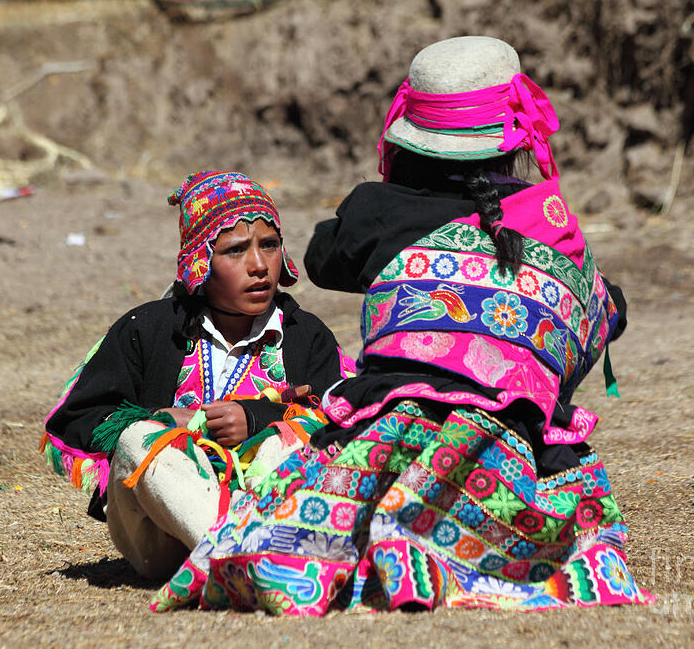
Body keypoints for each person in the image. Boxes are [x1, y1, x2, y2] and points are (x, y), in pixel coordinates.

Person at [152, 36, 652, 614]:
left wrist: (383, 213)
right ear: (514, 137)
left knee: (294, 511)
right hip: (523, 455)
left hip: (394, 439)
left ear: (410, 134)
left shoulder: (378, 213)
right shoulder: (554, 227)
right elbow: (601, 317)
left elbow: (322, 257)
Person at [41, 171, 354, 580]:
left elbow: (342, 418)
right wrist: (162, 421)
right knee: (138, 439)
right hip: (160, 540)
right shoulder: (147, 329)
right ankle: (239, 559)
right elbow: (77, 418)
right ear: (200, 259)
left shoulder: (306, 336)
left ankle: (244, 562)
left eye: (270, 245)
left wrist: (259, 421)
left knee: (289, 442)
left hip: (271, 519)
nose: (259, 265)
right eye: (236, 250)